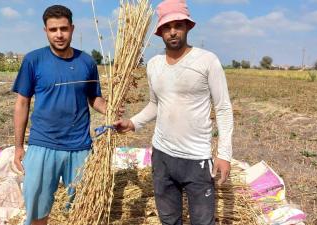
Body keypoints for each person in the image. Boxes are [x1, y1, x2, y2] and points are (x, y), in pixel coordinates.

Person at [113, 0, 234, 224]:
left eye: (178, 25)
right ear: (159, 33)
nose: (173, 32)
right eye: (167, 27)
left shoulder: (207, 60)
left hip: (196, 159)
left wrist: (224, 155)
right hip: (162, 156)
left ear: (187, 26)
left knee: (203, 221)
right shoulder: (154, 64)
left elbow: (223, 108)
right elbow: (155, 104)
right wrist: (133, 123)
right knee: (169, 220)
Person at [12, 5, 108, 225]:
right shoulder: (33, 60)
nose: (59, 34)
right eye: (53, 29)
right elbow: (22, 103)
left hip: (80, 148)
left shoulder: (87, 62)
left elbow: (95, 98)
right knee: (36, 210)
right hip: (42, 145)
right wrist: (18, 147)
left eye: (64, 28)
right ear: (45, 30)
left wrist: (110, 110)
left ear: (72, 29)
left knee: (85, 211)